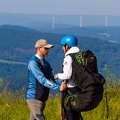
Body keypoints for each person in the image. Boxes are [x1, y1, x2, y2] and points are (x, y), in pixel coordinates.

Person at [26, 39, 66, 120]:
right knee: (40, 118)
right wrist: (59, 88)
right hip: (34, 98)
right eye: (46, 48)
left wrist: (64, 84)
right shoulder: (33, 63)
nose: (48, 50)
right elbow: (42, 79)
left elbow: (53, 76)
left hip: (42, 97)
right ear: (39, 48)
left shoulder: (45, 63)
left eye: (48, 48)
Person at [54, 35, 83, 120]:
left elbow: (67, 75)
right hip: (78, 89)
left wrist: (57, 76)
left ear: (67, 46)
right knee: (76, 115)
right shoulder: (79, 56)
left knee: (68, 115)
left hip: (70, 90)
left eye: (63, 46)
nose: (63, 48)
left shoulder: (69, 57)